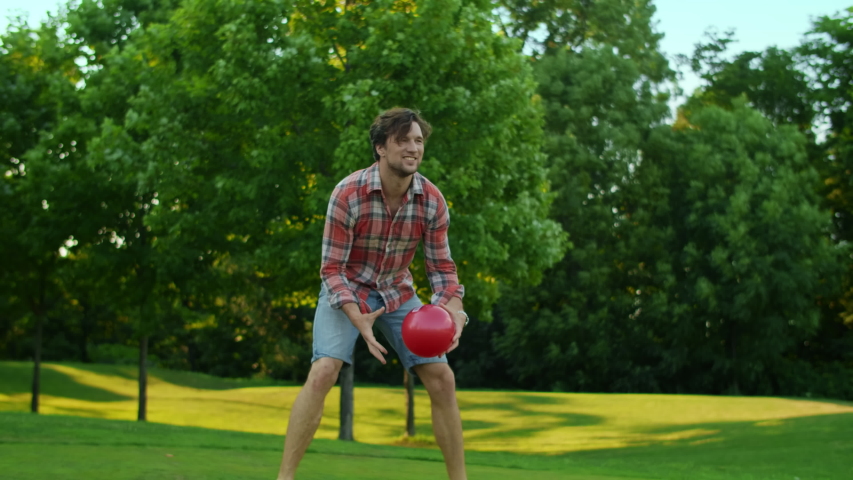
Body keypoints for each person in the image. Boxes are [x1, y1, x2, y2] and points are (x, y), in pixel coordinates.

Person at [276, 108, 469, 480]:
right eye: (403, 140)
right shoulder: (348, 193)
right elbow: (331, 270)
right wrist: (356, 316)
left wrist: (454, 310)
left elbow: (443, 270)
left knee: (443, 379)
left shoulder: (431, 201)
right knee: (323, 371)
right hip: (348, 290)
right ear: (380, 147)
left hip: (398, 291)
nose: (414, 148)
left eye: (419, 141)